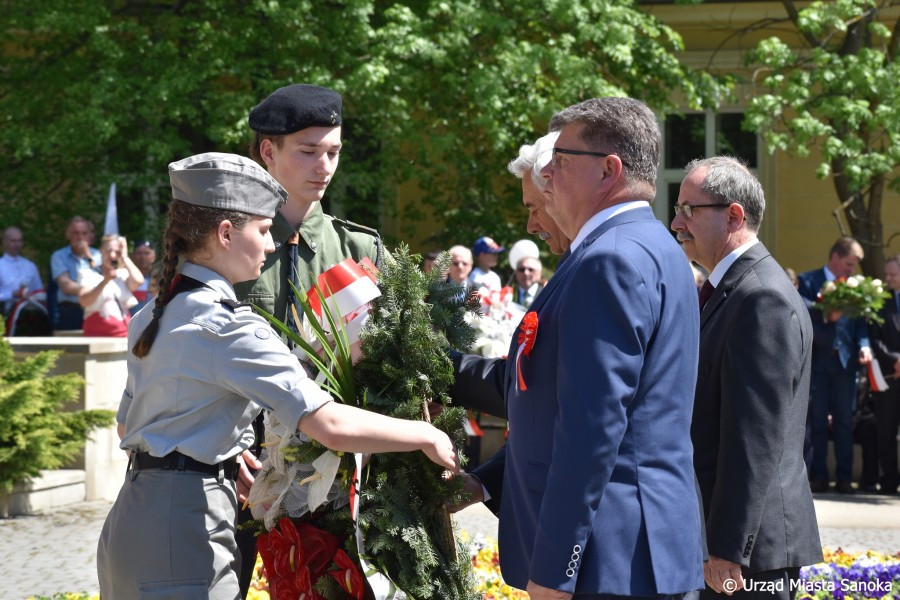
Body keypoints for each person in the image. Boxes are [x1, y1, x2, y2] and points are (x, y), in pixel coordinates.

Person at [96, 152, 458, 600]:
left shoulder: (152, 313)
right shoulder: (227, 326)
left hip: (132, 519)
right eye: (264, 231)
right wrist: (423, 433)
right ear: (226, 234)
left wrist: (219, 454)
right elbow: (328, 424)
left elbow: (126, 425)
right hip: (185, 529)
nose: (271, 245)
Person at [498, 97, 704, 599]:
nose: (547, 174)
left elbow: (592, 431)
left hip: (611, 557)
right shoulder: (651, 245)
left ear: (608, 170)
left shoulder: (608, 259)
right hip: (636, 549)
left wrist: (555, 570)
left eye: (561, 161)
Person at [233, 83, 383, 598]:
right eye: (308, 151)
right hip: (241, 468)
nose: (324, 166)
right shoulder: (226, 247)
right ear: (268, 151)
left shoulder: (357, 247)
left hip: (334, 478)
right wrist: (228, 455)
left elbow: (381, 368)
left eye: (334, 152)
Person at [670, 156, 822, 597]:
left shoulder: (762, 298)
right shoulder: (732, 289)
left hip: (749, 555)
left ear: (733, 215)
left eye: (688, 209)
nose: (676, 221)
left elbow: (753, 440)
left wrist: (725, 547)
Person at [448, 130, 566, 516]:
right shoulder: (574, 268)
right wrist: (484, 482)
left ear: (560, 192)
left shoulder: (601, 270)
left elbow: (559, 406)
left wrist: (435, 365)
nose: (531, 226)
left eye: (535, 208)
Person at [797, 237, 873, 493]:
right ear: (836, 257)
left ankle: (844, 477)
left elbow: (860, 324)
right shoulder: (808, 281)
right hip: (818, 362)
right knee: (817, 420)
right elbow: (803, 315)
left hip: (845, 363)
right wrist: (826, 315)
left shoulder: (854, 287)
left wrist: (864, 345)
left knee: (844, 421)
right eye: (849, 264)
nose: (852, 270)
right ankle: (818, 475)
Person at [868, 253, 900, 494]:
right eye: (887, 274)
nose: (888, 278)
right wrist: (896, 360)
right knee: (886, 430)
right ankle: (888, 480)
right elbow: (875, 339)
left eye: (893, 274)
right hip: (889, 377)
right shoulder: (880, 301)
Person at [78, 234, 143, 337]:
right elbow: (84, 301)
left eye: (117, 252)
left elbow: (139, 281)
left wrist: (125, 257)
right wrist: (105, 281)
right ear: (101, 251)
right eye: (108, 251)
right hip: (94, 335)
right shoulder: (88, 274)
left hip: (123, 335)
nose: (112, 255)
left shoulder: (123, 274)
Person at [50, 216, 102, 331]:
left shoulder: (98, 255)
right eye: (76, 233)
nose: (80, 237)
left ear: (90, 236)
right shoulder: (59, 256)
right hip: (70, 311)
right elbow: (64, 284)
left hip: (95, 310)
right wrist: (86, 292)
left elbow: (105, 279)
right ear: (68, 235)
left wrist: (88, 256)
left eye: (84, 233)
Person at [0, 226, 44, 315]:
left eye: (19, 241)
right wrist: (12, 294)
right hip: (5, 313)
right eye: (13, 241)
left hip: (31, 314)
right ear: (5, 242)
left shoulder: (30, 266)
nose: (17, 245)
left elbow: (39, 291)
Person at [129, 239, 157, 315]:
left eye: (147, 253)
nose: (143, 257)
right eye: (139, 253)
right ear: (133, 256)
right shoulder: (126, 278)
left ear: (153, 256)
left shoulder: (161, 278)